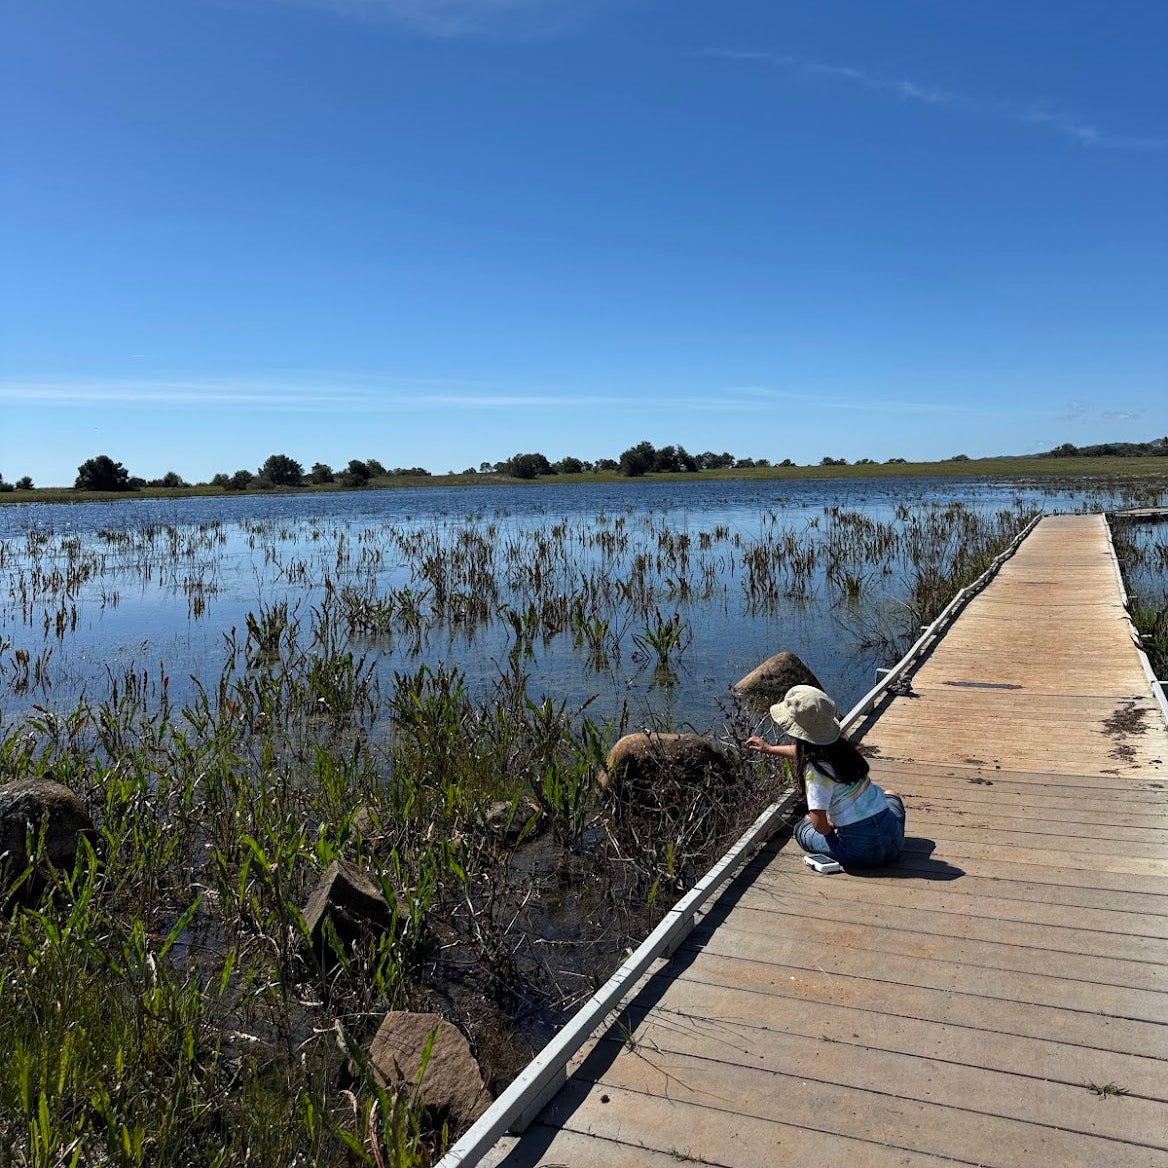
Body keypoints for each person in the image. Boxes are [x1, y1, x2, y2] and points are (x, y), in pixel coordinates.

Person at [746, 684, 905, 868]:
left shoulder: (815, 771)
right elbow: (805, 752)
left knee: (802, 829)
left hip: (859, 852)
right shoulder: (843, 749)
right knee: (891, 794)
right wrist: (769, 748)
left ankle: (846, 841)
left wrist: (830, 833)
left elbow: (818, 822)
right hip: (894, 842)